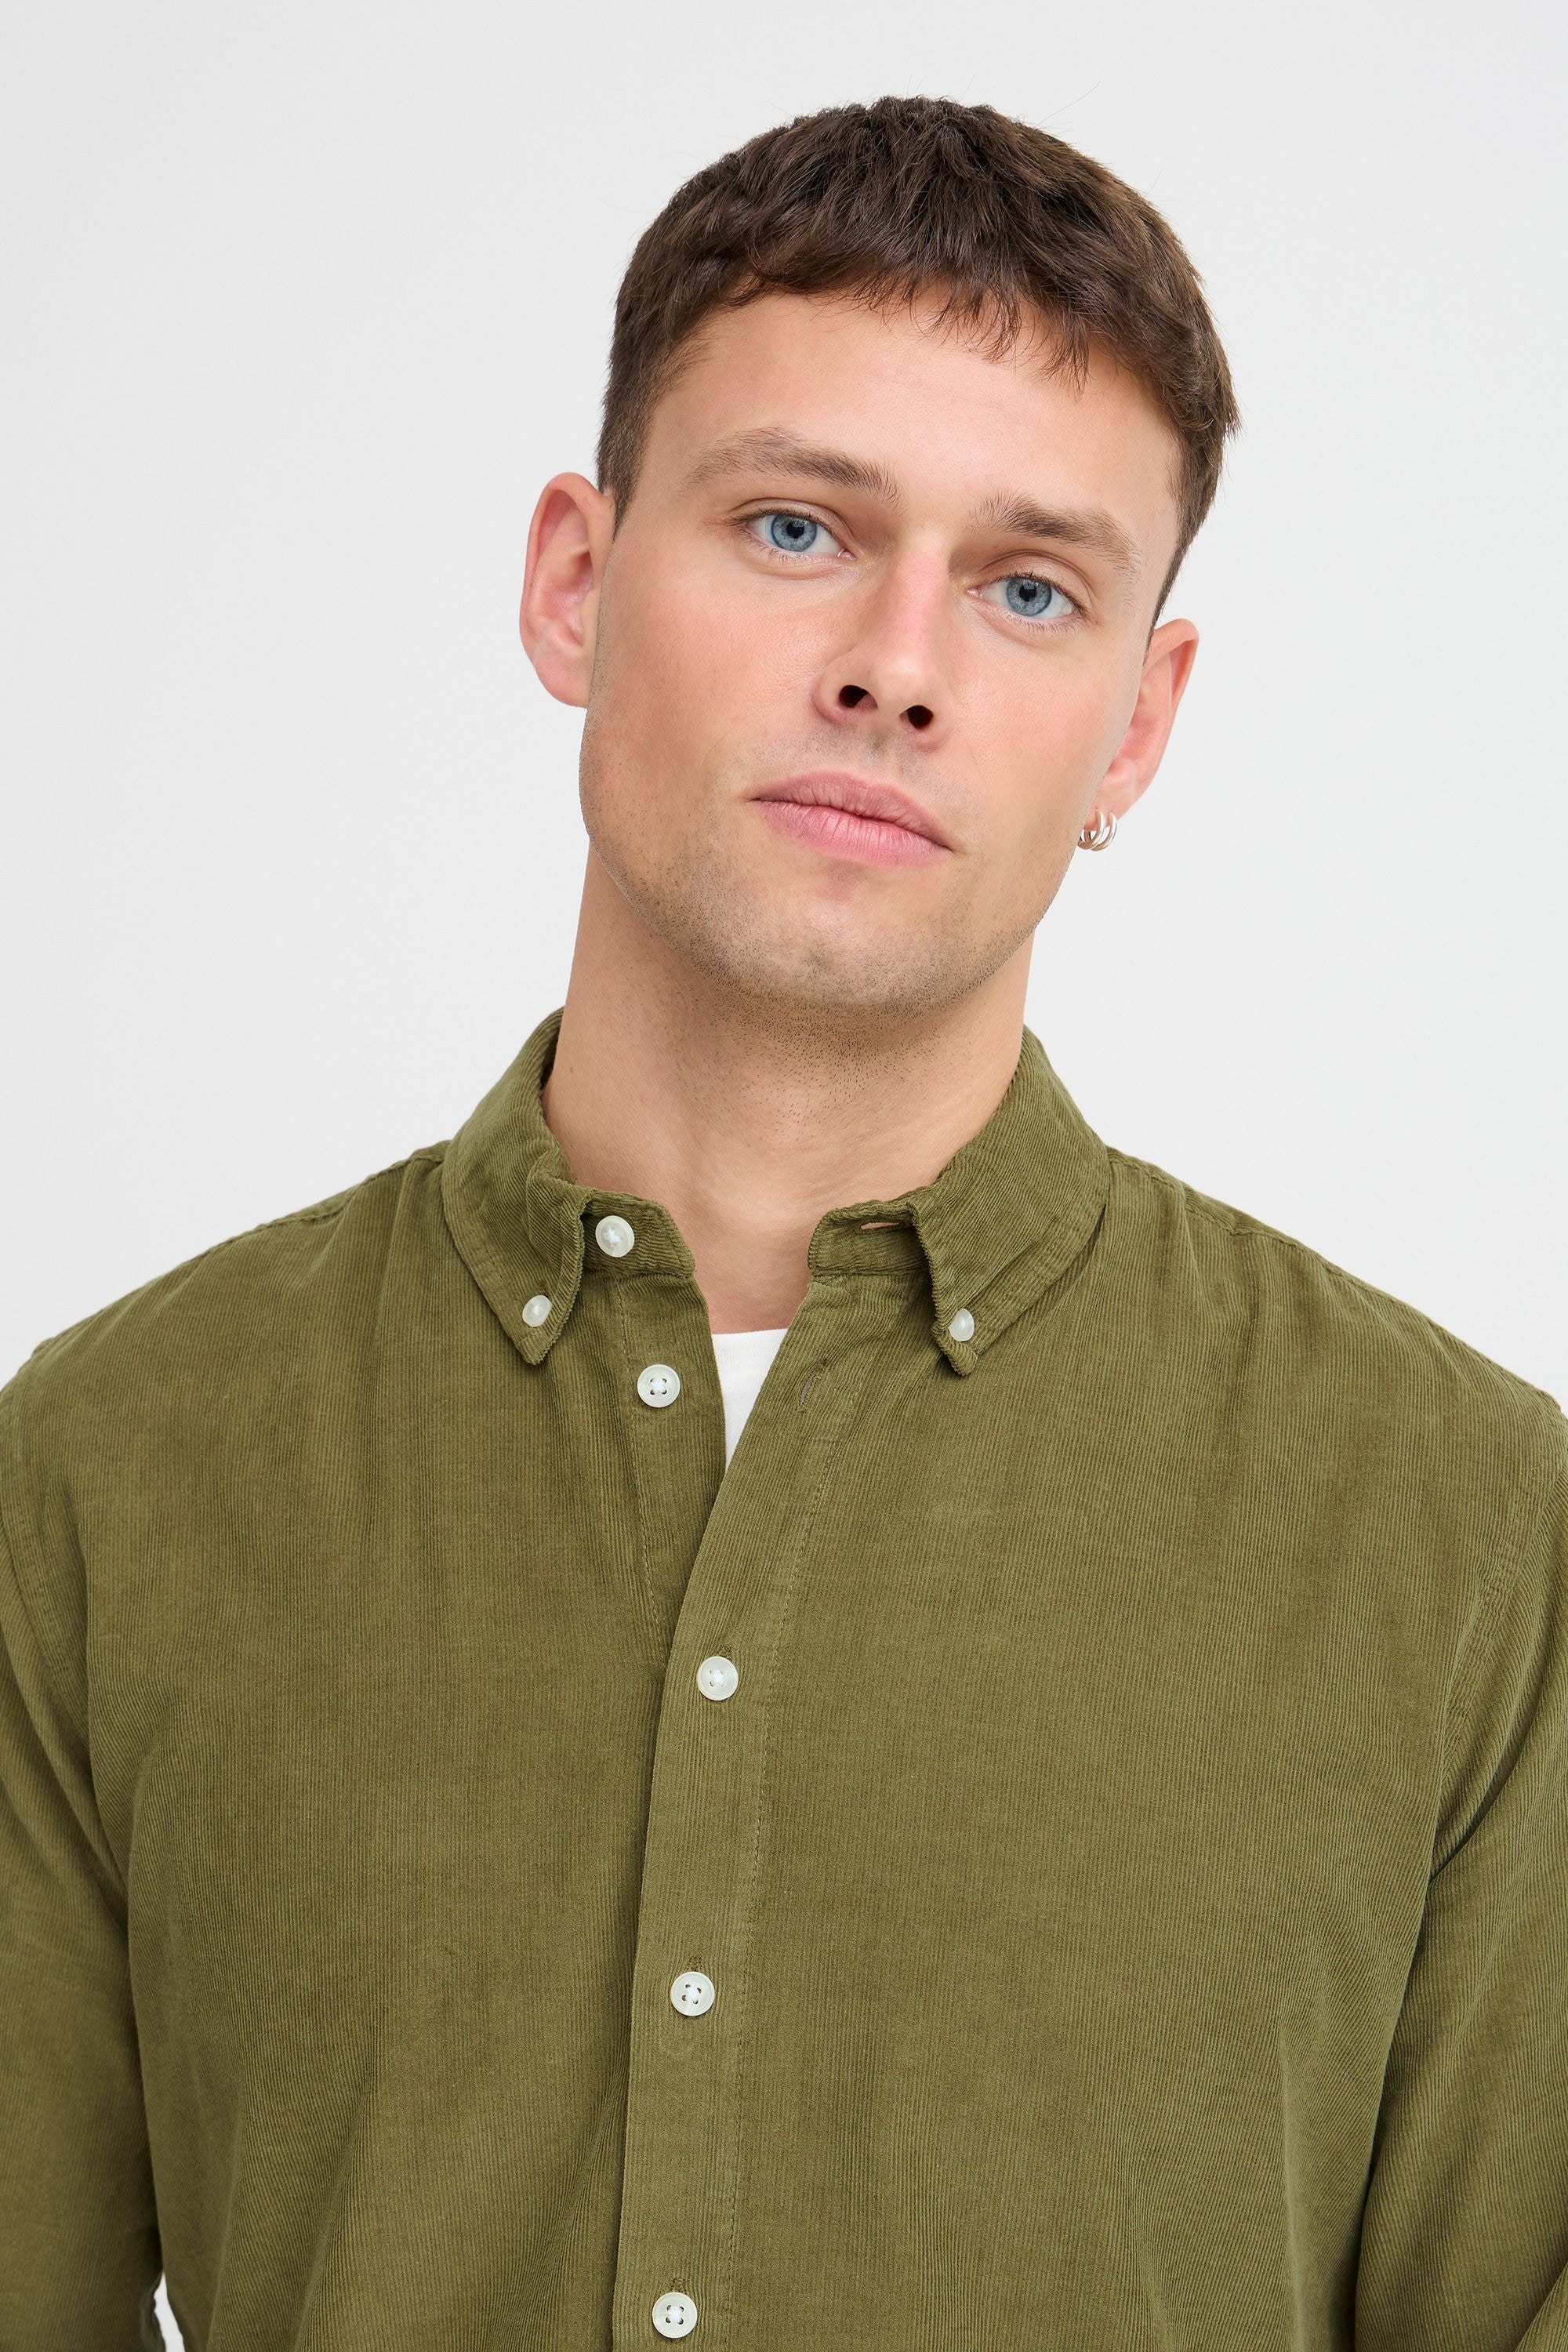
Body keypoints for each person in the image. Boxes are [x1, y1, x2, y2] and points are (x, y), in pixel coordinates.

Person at [2, 93, 1564, 2352]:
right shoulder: (105, 1471)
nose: (896, 666)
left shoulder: (1468, 1532)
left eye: (1030, 589)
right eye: (797, 525)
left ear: (1139, 727)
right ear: (575, 579)